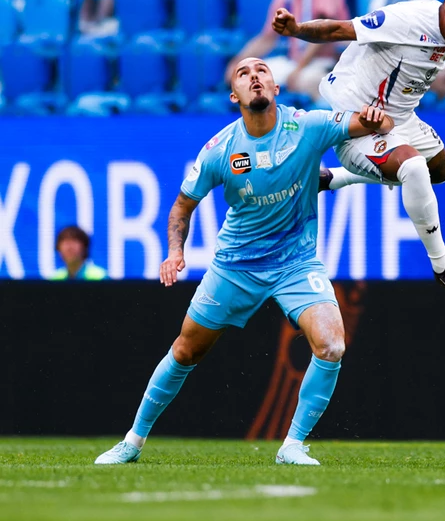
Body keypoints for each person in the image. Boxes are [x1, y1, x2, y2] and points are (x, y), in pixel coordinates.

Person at [94, 59, 394, 466]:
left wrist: (376, 118)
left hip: (296, 263)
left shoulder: (308, 125)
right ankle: (132, 441)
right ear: (234, 95)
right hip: (235, 266)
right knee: (185, 351)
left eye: (262, 70)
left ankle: (292, 445)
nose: (255, 76)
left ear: (276, 87)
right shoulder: (220, 150)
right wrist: (176, 252)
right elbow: (182, 206)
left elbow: (379, 125)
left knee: (332, 345)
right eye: (243, 73)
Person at [272, 0, 445, 302]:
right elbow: (338, 29)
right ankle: (443, 266)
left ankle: (334, 178)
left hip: (400, 118)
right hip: (358, 119)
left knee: (439, 171)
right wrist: (296, 29)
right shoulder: (404, 20)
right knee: (412, 167)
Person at [227, 0, 350, 97]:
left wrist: (298, 69)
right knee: (251, 79)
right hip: (295, 62)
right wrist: (239, 63)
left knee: (307, 81)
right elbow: (267, 38)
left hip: (325, 62)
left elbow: (323, 30)